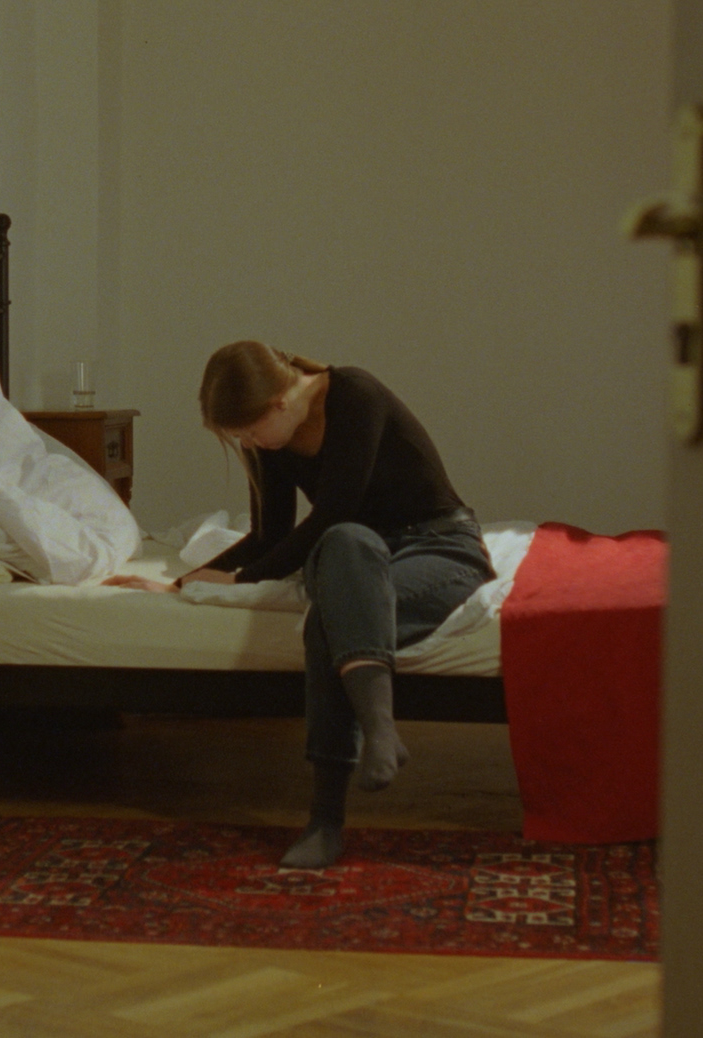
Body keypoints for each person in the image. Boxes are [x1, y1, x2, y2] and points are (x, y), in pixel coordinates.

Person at [105, 340, 493, 868]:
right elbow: (269, 536)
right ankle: (374, 738)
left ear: (281, 401)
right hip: (355, 555)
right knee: (347, 546)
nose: (248, 443)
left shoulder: (354, 395)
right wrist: (185, 584)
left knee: (331, 613)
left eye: (250, 430)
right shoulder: (270, 439)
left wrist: (241, 580)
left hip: (438, 546)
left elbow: (333, 511)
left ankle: (330, 810)